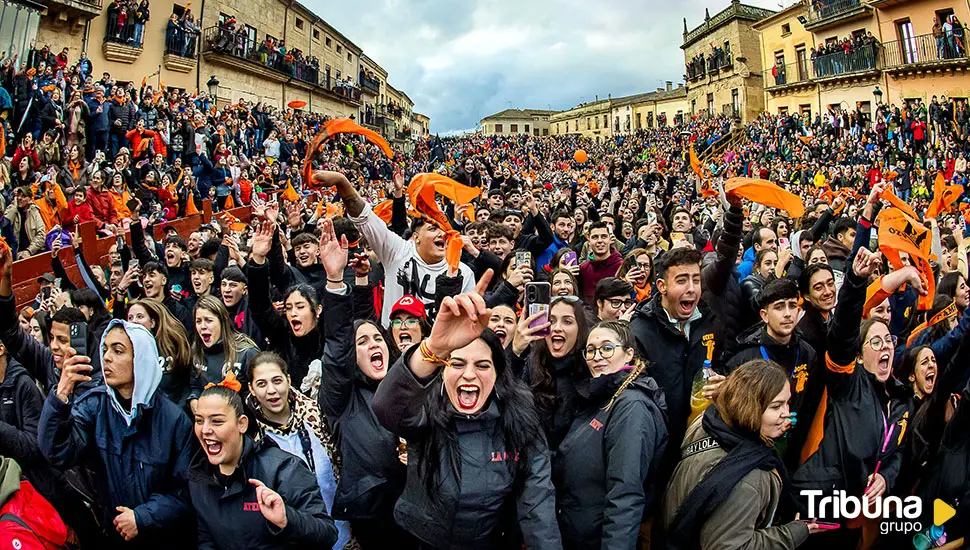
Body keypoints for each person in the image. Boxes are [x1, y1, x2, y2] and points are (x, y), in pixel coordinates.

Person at [372, 274, 562, 549]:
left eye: (483, 366)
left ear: (498, 374)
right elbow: (386, 407)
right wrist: (434, 347)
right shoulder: (427, 405)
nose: (469, 375)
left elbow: (537, 501)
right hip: (419, 540)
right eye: (457, 364)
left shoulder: (520, 415)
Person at [792, 248, 914, 547]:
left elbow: (897, 451)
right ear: (858, 356)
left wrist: (886, 475)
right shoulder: (848, 382)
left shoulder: (901, 399)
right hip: (821, 506)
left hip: (859, 517)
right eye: (875, 341)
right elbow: (843, 333)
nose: (885, 346)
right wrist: (856, 281)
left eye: (888, 340)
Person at [38, 319, 196, 549]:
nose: (107, 357)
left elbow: (186, 493)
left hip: (162, 538)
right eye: (105, 350)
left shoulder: (174, 420)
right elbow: (56, 451)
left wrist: (142, 518)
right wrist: (61, 393)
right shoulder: (95, 406)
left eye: (118, 350)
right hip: (113, 536)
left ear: (140, 359)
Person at [663, 359, 820, 549]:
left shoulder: (708, 420)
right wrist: (793, 533)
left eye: (787, 403)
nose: (786, 413)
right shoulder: (749, 481)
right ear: (751, 407)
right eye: (776, 406)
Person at [553, 321, 668, 549]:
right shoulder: (603, 396)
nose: (597, 356)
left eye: (607, 348)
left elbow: (625, 494)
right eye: (591, 350)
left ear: (628, 355)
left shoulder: (631, 407)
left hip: (598, 539)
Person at [189, 381, 339, 549]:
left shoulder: (284, 468)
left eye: (216, 421)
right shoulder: (198, 477)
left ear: (242, 424)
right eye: (199, 420)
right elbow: (206, 538)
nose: (205, 430)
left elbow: (328, 533)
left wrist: (287, 519)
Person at [317, 170, 475, 325]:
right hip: (393, 346)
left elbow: (465, 322)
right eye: (433, 229)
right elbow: (363, 216)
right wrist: (342, 182)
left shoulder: (463, 273)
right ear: (415, 237)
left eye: (445, 229)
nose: (442, 234)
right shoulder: (398, 251)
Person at [245, 351, 353, 549]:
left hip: (343, 533)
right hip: (294, 539)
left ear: (288, 380)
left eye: (277, 381)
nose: (271, 390)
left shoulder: (317, 416)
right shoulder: (252, 440)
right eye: (261, 384)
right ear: (251, 389)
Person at [189, 295, 259, 410]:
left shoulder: (246, 352)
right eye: (198, 321)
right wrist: (193, 399)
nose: (202, 326)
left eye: (208, 320)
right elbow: (195, 385)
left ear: (223, 321)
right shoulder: (196, 351)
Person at [126, 299, 193, 409]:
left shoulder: (171, 347)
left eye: (139, 316)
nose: (134, 321)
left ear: (152, 323)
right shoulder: (125, 353)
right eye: (130, 318)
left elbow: (186, 382)